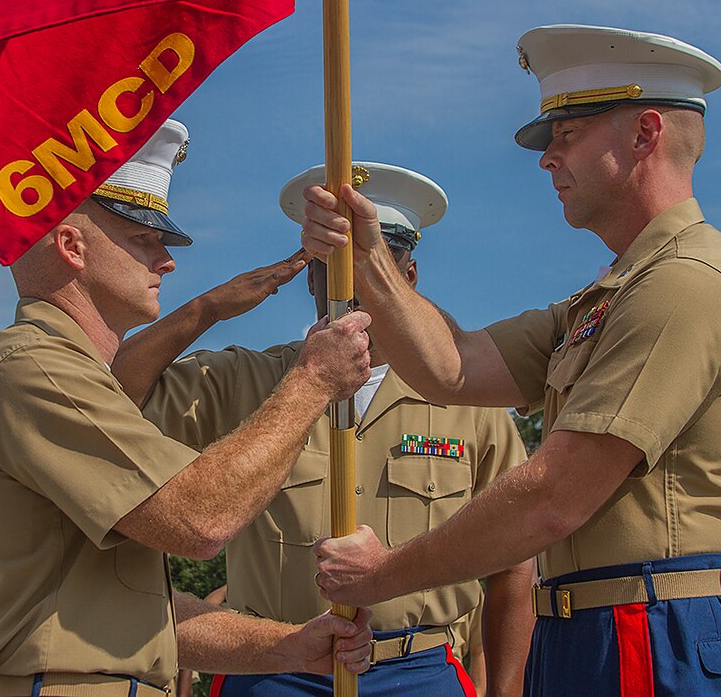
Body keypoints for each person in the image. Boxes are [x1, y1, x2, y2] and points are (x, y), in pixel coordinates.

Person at [301, 25, 721, 696]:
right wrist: (368, 257)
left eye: (567, 135)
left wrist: (382, 574)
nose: (546, 159)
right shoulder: (612, 296)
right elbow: (455, 365)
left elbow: (554, 496)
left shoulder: (689, 283)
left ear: (646, 134)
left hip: (655, 631)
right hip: (594, 627)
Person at [0, 119, 376, 697]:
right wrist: (313, 380)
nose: (166, 261)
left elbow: (138, 611)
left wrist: (285, 648)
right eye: (144, 239)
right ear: (72, 246)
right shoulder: (33, 369)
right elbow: (199, 520)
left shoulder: (63, 374)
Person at [115, 161, 536, 696]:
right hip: (271, 669)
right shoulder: (245, 379)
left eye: (378, 259)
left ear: (408, 276)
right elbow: (110, 398)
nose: (354, 279)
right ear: (309, 273)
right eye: (334, 261)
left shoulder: (470, 402)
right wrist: (207, 308)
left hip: (419, 669)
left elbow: (512, 561)